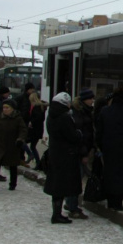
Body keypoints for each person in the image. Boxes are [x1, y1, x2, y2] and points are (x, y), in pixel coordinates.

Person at [96, 86, 123, 211]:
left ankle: (111, 200)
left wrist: (102, 146)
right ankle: (120, 201)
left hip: (108, 148)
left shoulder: (104, 111)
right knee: (122, 174)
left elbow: (99, 132)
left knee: (109, 173)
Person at [43, 92, 82, 224]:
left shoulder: (51, 115)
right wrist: (79, 133)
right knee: (63, 184)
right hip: (66, 155)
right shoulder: (65, 117)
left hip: (55, 153)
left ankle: (56, 212)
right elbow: (72, 136)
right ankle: (57, 215)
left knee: (56, 185)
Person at [66, 88, 96, 219]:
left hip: (80, 150)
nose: (92, 101)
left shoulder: (82, 111)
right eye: (90, 99)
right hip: (79, 151)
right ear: (84, 100)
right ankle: (72, 206)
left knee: (76, 178)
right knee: (76, 179)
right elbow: (82, 135)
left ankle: (71, 203)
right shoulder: (80, 113)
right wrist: (84, 153)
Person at [0, 99, 27, 193]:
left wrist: (20, 139)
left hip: (12, 146)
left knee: (12, 165)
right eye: (3, 107)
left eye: (7, 108)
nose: (5, 109)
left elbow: (23, 130)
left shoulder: (18, 119)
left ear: (12, 109)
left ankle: (13, 184)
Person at [28, 92, 49, 171]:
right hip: (38, 129)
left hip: (35, 129)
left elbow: (37, 118)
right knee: (32, 146)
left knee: (32, 146)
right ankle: (37, 161)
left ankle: (38, 162)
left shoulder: (36, 107)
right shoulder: (41, 107)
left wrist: (31, 122)